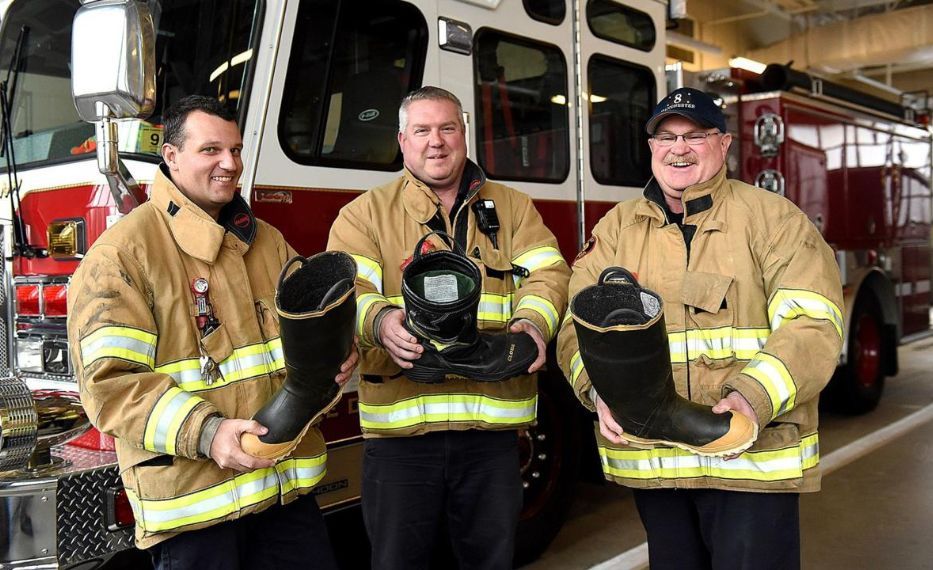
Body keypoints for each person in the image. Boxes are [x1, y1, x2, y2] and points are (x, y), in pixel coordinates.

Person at [557, 87, 844, 570]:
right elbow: (575, 326)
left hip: (750, 460)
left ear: (725, 144)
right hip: (658, 465)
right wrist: (598, 390)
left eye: (696, 135)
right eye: (666, 136)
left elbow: (812, 323)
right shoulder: (615, 229)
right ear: (651, 147)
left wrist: (753, 396)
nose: (679, 148)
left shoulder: (773, 220)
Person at [67, 95, 357, 569]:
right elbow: (111, 385)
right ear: (171, 156)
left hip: (284, 495)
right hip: (197, 512)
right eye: (211, 150)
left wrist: (335, 359)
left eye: (237, 150)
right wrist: (208, 431)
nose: (230, 164)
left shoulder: (268, 242)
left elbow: (310, 341)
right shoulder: (121, 256)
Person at [327, 86, 570, 570]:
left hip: (492, 438)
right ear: (402, 140)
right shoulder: (363, 214)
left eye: (447, 128)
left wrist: (532, 321)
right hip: (401, 441)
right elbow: (347, 289)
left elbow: (549, 273)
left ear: (463, 135)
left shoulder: (514, 208)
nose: (435, 142)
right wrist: (380, 320)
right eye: (422, 130)